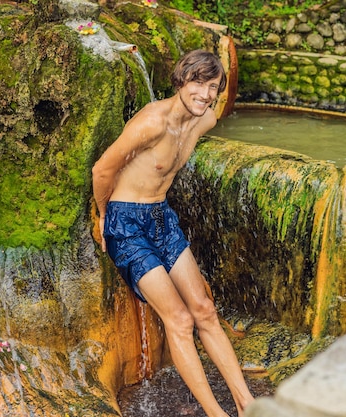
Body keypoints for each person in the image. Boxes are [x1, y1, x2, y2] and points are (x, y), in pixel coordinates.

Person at [92, 50, 254, 417]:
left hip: (161, 216)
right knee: (179, 320)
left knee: (205, 310)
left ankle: (248, 404)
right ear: (181, 81)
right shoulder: (153, 122)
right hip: (127, 222)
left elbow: (210, 111)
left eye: (213, 87)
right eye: (198, 83)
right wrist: (104, 216)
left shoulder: (204, 120)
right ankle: (216, 414)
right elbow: (103, 170)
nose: (206, 93)